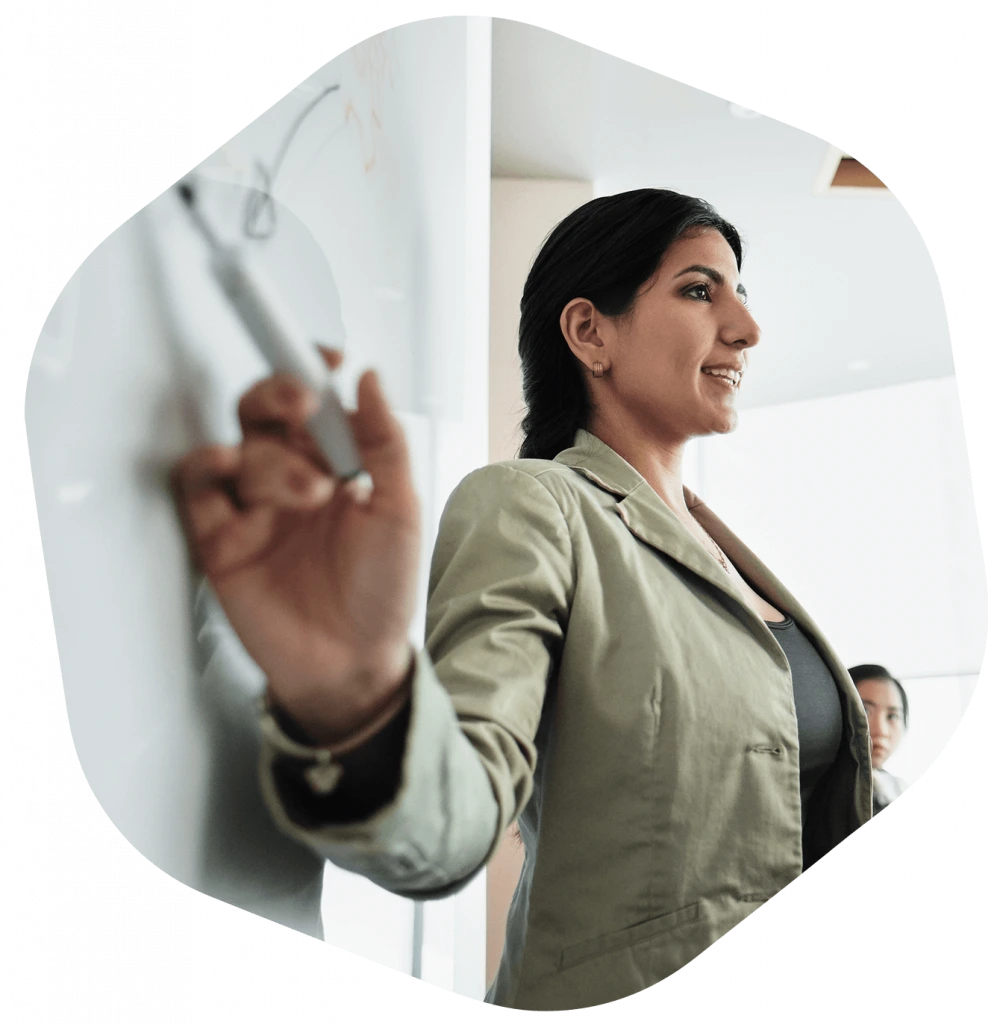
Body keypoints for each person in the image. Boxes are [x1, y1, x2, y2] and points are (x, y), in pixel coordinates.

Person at [172, 188, 873, 1012]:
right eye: (698, 289)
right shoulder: (532, 503)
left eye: (739, 292)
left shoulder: (732, 555)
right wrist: (357, 697)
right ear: (587, 333)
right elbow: (452, 827)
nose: (745, 327)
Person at [848, 664, 909, 816]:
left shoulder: (899, 787)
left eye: (892, 716)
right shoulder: (818, 787)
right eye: (866, 711)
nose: (881, 730)